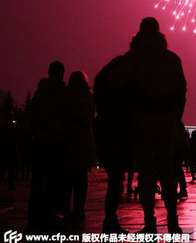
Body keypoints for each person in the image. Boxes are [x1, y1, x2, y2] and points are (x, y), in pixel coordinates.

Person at [120, 17, 187, 235]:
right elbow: (181, 93)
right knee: (167, 174)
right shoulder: (171, 59)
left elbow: (123, 93)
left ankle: (149, 223)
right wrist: (175, 120)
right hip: (165, 124)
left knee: (146, 176)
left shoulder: (131, 59)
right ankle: (172, 222)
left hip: (140, 124)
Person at [28, 61, 69, 231]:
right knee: (54, 179)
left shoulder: (40, 92)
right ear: (62, 73)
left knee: (37, 178)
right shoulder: (63, 93)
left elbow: (32, 114)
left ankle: (34, 213)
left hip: (40, 141)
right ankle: (49, 211)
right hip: (57, 141)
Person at [94, 56, 133, 234]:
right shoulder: (117, 99)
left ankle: (110, 221)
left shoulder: (104, 91)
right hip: (115, 137)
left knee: (115, 181)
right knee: (116, 182)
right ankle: (110, 222)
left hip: (107, 135)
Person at [61, 71, 96, 222]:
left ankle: (65, 208)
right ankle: (78, 209)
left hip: (69, 140)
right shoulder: (89, 97)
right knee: (80, 179)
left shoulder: (67, 97)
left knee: (68, 179)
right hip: (83, 141)